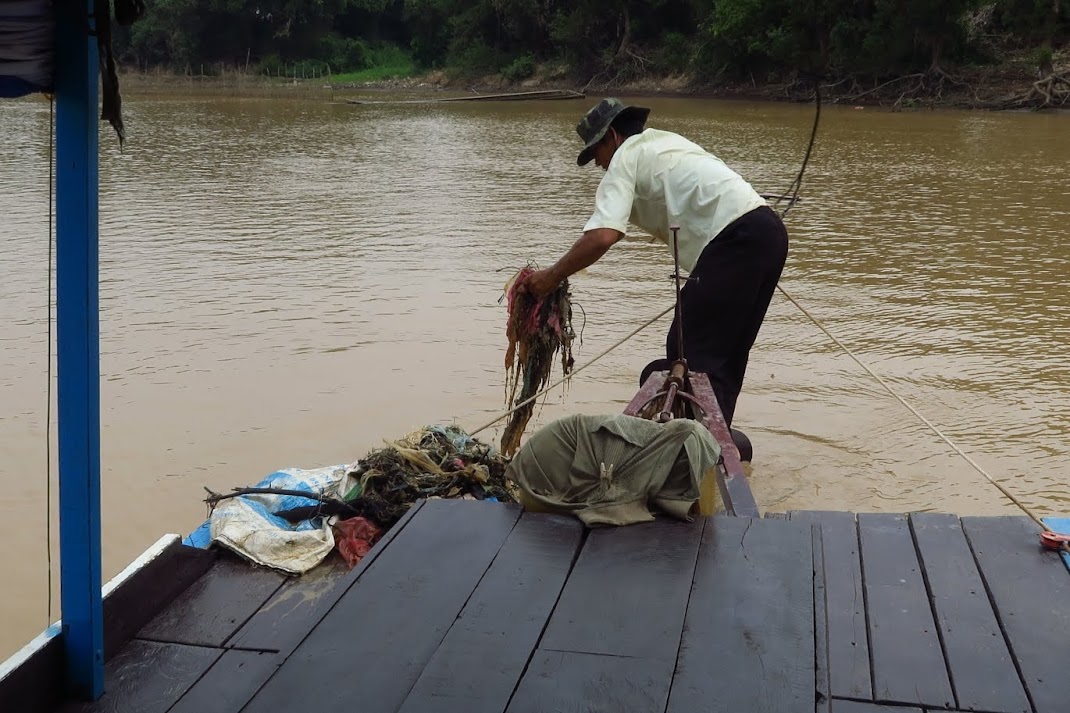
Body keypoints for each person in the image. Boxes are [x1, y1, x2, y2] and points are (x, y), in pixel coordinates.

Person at [521, 97, 788, 430]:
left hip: (735, 240)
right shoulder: (666, 143)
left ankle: (689, 442)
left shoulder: (625, 158)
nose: (598, 164)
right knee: (725, 356)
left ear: (612, 138)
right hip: (769, 233)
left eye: (596, 153)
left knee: (685, 348)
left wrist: (550, 277)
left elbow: (603, 236)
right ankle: (715, 438)